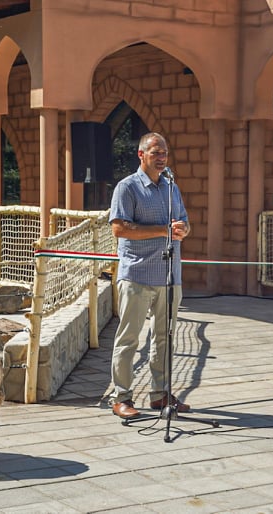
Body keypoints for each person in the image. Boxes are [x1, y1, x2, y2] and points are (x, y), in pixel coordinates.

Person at [108, 132, 191, 419]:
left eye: (164, 153)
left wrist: (183, 229)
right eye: (155, 152)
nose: (161, 158)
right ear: (141, 155)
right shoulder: (127, 187)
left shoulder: (171, 187)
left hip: (169, 276)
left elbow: (185, 223)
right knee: (129, 339)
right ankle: (121, 397)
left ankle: (160, 394)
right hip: (137, 275)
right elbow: (119, 228)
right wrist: (163, 230)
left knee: (165, 338)